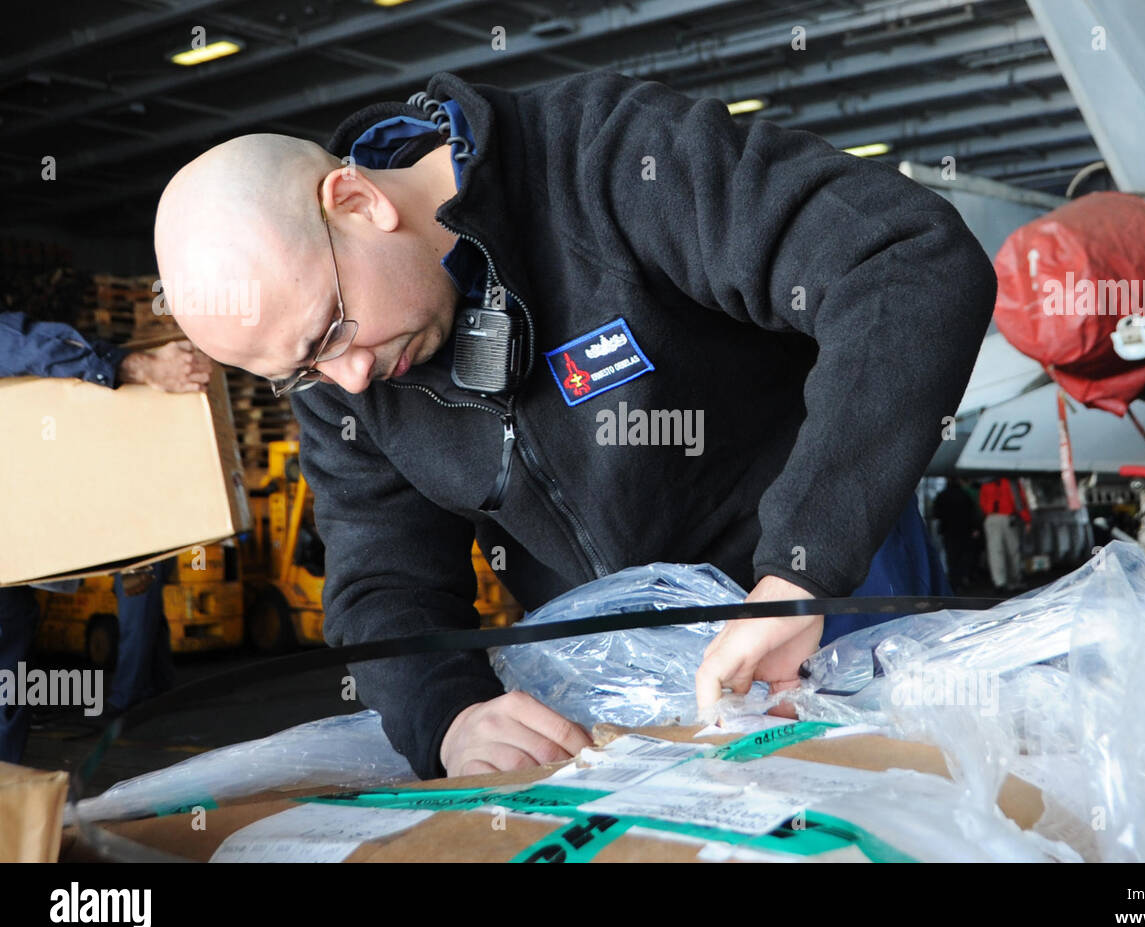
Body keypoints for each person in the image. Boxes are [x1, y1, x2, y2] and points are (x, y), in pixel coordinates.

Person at [153, 70, 997, 780]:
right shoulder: (344, 372)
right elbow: (384, 582)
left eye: (330, 334)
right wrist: (449, 718)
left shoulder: (607, 160)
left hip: (832, 590)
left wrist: (801, 572)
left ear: (358, 200)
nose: (346, 377)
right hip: (620, 683)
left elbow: (904, 259)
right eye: (299, 373)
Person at [0, 310, 208, 762]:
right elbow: (25, 345)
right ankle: (128, 697)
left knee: (145, 616)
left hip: (141, 534)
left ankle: (145, 691)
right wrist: (139, 367)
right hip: (131, 535)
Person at [979, 476, 1031, 591]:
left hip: (991, 517)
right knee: (1013, 550)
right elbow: (1018, 501)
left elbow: (982, 502)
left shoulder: (985, 481)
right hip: (1008, 518)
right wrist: (1027, 519)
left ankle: (999, 582)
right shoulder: (1011, 480)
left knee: (995, 551)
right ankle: (1014, 580)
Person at [933, 477, 981, 590]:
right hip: (964, 530)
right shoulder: (965, 495)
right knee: (963, 557)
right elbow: (972, 513)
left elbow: (936, 513)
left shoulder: (942, 495)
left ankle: (954, 582)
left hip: (949, 531)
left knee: (952, 557)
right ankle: (962, 579)